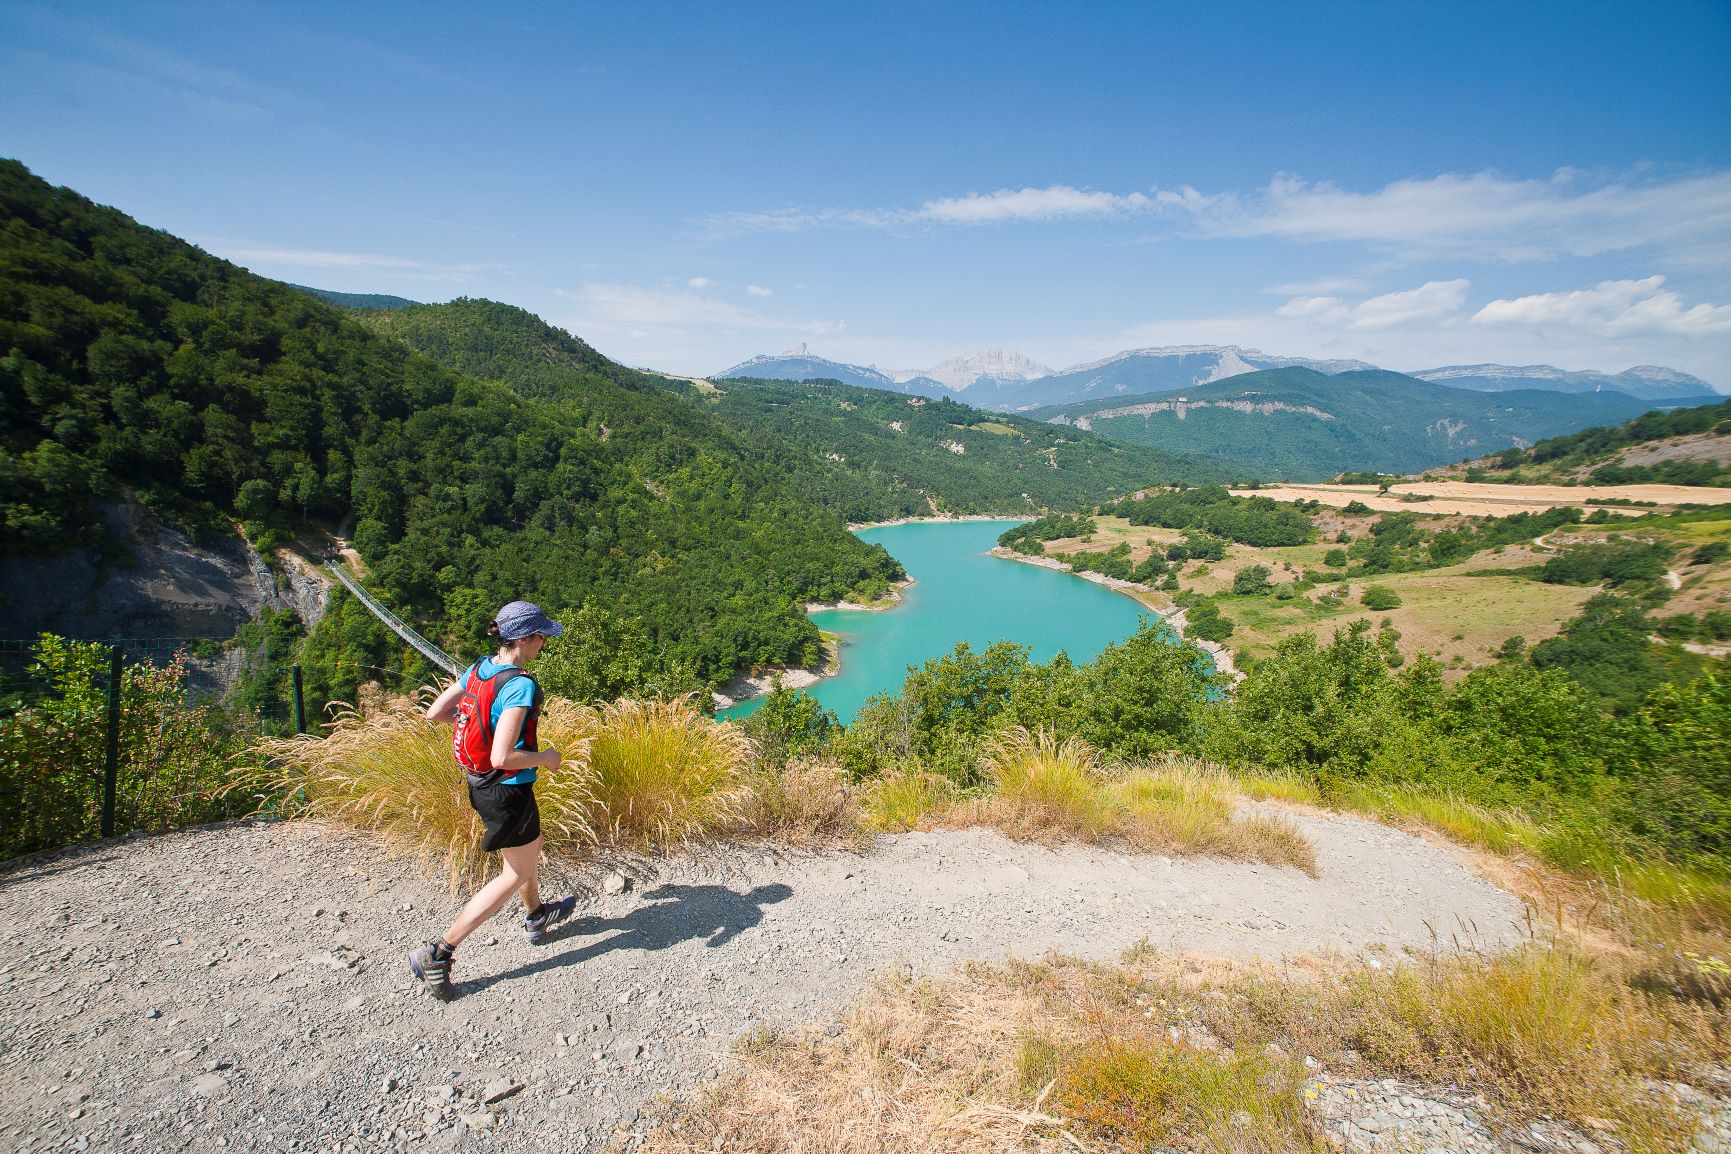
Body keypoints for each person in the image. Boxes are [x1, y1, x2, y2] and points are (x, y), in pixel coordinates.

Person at [408, 600, 576, 1000]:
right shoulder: (520, 684)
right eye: (541, 637)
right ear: (526, 638)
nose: (543, 644)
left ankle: (536, 916)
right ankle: (440, 951)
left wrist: (476, 724)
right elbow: (503, 756)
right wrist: (546, 759)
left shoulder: (479, 668)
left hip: (480, 782)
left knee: (526, 852)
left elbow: (436, 714)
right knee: (515, 872)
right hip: (506, 788)